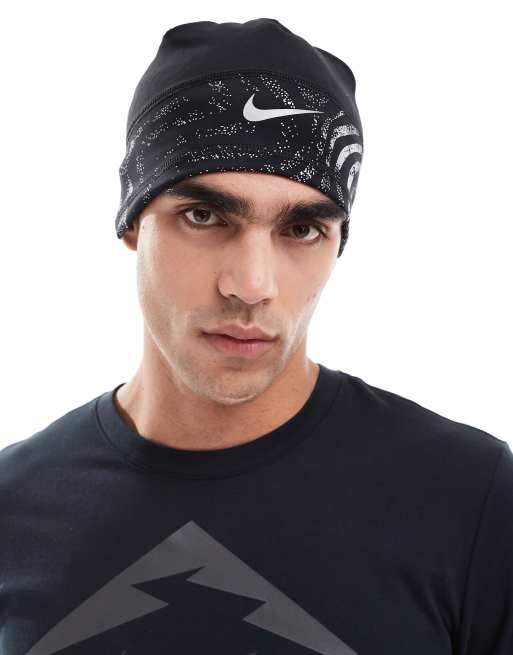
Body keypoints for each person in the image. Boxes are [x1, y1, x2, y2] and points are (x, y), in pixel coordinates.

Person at [1, 18, 511, 655]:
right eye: (204, 216)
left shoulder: (470, 501)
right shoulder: (14, 507)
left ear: (337, 244)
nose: (251, 285)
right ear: (132, 221)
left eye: (302, 230)